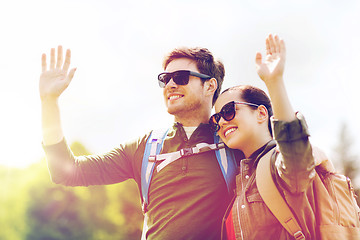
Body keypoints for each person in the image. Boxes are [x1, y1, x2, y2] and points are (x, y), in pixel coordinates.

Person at [39, 46, 236, 239]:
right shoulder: (146, 147)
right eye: (165, 79)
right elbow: (65, 172)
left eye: (181, 77)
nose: (170, 85)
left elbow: (268, 161)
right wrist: (49, 101)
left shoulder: (234, 144)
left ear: (210, 86)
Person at [210, 34, 317, 239]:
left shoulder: (280, 166)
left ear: (261, 113)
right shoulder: (239, 184)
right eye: (217, 118)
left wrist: (274, 82)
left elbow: (295, 153)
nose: (222, 122)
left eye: (229, 111)